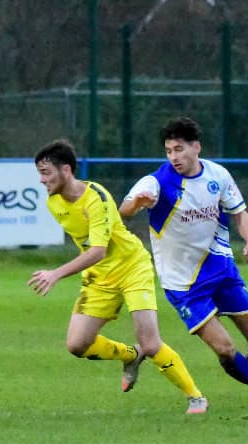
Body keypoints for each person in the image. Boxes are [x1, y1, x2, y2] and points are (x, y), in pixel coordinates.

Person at [30, 139, 208, 415]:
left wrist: (56, 274)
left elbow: (98, 250)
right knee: (77, 345)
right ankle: (131, 355)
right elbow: (92, 251)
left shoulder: (96, 198)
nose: (42, 180)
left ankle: (196, 397)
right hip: (100, 277)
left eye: (46, 173)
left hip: (132, 267)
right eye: (40, 174)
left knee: (151, 342)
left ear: (66, 170)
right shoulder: (54, 202)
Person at [118, 116, 248, 408]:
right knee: (225, 348)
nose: (173, 157)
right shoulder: (157, 182)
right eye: (169, 151)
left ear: (196, 147)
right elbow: (125, 209)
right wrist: (136, 203)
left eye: (179, 149)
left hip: (221, 270)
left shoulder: (217, 175)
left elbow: (239, 213)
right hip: (183, 284)